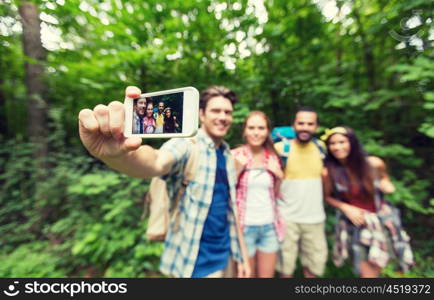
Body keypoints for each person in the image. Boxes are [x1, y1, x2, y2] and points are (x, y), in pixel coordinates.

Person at [78, 85, 250, 278]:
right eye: (216, 111)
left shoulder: (227, 155)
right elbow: (156, 161)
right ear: (201, 114)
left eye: (228, 112)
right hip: (193, 263)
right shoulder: (185, 145)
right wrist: (117, 156)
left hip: (226, 257)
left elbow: (231, 212)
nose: (223, 117)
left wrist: (241, 257)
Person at [321, 126, 414, 277]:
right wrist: (345, 208)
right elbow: (327, 197)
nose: (337, 147)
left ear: (352, 142)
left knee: (387, 267)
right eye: (332, 143)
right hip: (355, 223)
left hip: (380, 220)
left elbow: (385, 180)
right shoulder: (328, 171)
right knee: (365, 273)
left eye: (342, 142)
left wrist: (386, 185)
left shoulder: (373, 163)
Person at [274, 107, 328, 278]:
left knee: (313, 268)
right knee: (285, 269)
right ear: (294, 125)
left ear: (316, 127)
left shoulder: (321, 148)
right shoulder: (280, 148)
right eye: (301, 123)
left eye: (310, 124)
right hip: (287, 218)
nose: (305, 127)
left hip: (315, 219)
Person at [231, 111, 285, 278]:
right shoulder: (235, 155)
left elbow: (274, 194)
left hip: (269, 226)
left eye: (261, 128)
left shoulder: (273, 157)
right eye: (251, 127)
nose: (256, 132)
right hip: (244, 228)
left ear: (267, 131)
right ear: (245, 131)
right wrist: (236, 171)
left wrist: (280, 177)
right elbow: (226, 194)